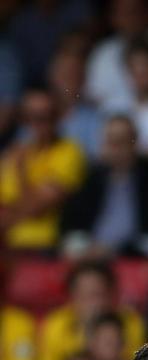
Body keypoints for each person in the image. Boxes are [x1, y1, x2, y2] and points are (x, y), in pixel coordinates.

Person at [61, 114, 148, 255]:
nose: (116, 150)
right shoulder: (91, 179)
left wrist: (119, 249)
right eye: (111, 142)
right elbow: (73, 225)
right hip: (92, 256)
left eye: (121, 142)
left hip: (135, 259)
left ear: (135, 143)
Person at [0, 88, 85, 250]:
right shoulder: (17, 151)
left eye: (45, 117)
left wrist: (21, 172)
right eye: (29, 117)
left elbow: (34, 208)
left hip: (43, 247)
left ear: (58, 116)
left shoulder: (69, 152)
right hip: (7, 245)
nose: (37, 124)